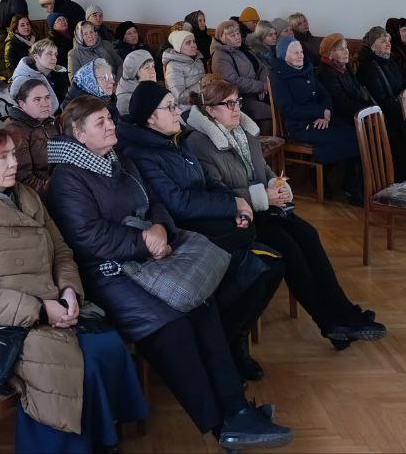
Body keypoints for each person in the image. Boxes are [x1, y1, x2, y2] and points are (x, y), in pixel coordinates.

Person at [46, 96, 293, 449]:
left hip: (149, 257)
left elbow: (156, 203)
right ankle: (219, 424)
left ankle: (237, 408)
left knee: (203, 306)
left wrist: (160, 228)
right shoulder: (67, 179)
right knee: (173, 326)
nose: (111, 126)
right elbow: (88, 237)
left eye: (110, 119)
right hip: (108, 275)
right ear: (78, 133)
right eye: (100, 122)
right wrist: (144, 241)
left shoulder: (120, 161)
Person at [0, 120, 148, 452]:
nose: (14, 163)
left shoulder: (26, 195)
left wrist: (69, 291)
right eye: (2, 158)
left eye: (13, 154)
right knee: (63, 362)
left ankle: (102, 441)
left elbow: (61, 252)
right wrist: (38, 310)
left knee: (106, 344)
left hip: (48, 304)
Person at [184, 76, 385, 348]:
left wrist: (275, 185)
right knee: (289, 248)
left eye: (237, 102)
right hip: (237, 221)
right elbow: (216, 194)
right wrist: (260, 196)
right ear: (210, 110)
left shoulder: (244, 130)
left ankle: (344, 312)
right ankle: (329, 322)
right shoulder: (200, 143)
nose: (236, 108)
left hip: (265, 209)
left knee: (308, 234)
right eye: (228, 104)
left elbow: (264, 170)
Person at [115, 82, 284, 381]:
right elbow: (178, 204)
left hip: (211, 222)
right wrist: (231, 206)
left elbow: (209, 182)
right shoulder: (140, 153)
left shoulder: (176, 139)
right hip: (187, 233)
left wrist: (234, 204)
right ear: (151, 117)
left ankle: (234, 338)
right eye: (169, 107)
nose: (177, 111)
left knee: (271, 266)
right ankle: (225, 346)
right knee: (260, 270)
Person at [270, 38, 362, 199]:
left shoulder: (306, 69)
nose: (300, 56)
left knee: (354, 132)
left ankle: (349, 184)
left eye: (301, 52)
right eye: (295, 53)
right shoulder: (279, 76)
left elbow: (324, 94)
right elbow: (289, 109)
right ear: (284, 55)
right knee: (340, 138)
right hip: (298, 126)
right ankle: (322, 176)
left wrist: (326, 113)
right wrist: (319, 112)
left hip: (319, 119)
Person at [356, 26, 406, 182]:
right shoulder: (368, 67)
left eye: (388, 40)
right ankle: (399, 180)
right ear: (372, 45)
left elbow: (403, 86)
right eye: (382, 41)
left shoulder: (390, 60)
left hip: (396, 109)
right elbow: (380, 100)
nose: (388, 44)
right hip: (381, 116)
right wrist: (405, 110)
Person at [6, 77, 62, 194]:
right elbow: (24, 178)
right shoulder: (15, 131)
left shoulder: (49, 123)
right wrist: (57, 189)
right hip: (43, 193)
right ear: (22, 104)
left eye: (47, 97)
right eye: (37, 99)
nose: (45, 104)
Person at [212, 19, 272, 127]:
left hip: (257, 93)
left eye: (238, 33)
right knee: (269, 112)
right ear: (222, 38)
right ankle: (263, 138)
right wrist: (262, 86)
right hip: (239, 99)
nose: (237, 37)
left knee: (283, 103)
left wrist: (264, 85)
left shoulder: (242, 49)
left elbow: (262, 67)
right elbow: (233, 82)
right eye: (232, 35)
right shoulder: (220, 56)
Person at [315, 34, 373, 126]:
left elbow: (356, 88)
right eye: (341, 49)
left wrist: (370, 106)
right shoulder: (325, 73)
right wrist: (366, 110)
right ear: (330, 53)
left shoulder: (344, 65)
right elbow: (341, 104)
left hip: (355, 110)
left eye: (346, 48)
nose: (346, 52)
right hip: (341, 117)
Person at [12, 38, 66, 111]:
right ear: (36, 57)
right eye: (49, 54)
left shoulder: (58, 76)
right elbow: (16, 109)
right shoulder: (22, 80)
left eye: (55, 54)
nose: (54, 58)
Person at [163, 29, 206, 105]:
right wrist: (202, 84)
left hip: (202, 102)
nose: (193, 45)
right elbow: (179, 97)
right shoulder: (173, 66)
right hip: (186, 108)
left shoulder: (197, 60)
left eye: (194, 41)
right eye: (188, 43)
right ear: (179, 47)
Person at [116, 50, 157, 115]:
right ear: (133, 73)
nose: (153, 71)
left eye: (153, 66)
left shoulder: (150, 88)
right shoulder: (125, 101)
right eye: (147, 67)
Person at [1, 14, 36, 79]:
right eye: (22, 25)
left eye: (28, 24)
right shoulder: (11, 44)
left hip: (34, 74)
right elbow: (11, 68)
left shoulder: (33, 39)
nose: (26, 27)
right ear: (16, 29)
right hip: (20, 77)